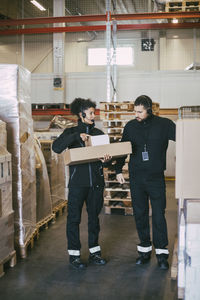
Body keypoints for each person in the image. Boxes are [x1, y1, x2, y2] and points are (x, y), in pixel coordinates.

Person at [115, 95, 176, 270]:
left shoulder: (164, 125)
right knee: (140, 214)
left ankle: (162, 254)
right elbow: (122, 148)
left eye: (140, 111)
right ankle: (144, 250)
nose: (136, 114)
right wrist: (118, 170)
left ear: (149, 110)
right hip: (136, 178)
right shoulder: (131, 126)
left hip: (156, 178)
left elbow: (185, 138)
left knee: (158, 215)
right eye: (135, 111)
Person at [52, 98, 111, 270]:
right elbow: (56, 147)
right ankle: (74, 255)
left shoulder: (99, 134)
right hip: (78, 184)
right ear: (81, 114)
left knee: (94, 219)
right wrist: (76, 136)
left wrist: (106, 160)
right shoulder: (71, 133)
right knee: (74, 219)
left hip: (96, 184)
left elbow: (106, 161)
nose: (94, 115)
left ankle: (95, 253)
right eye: (91, 112)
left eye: (94, 112)